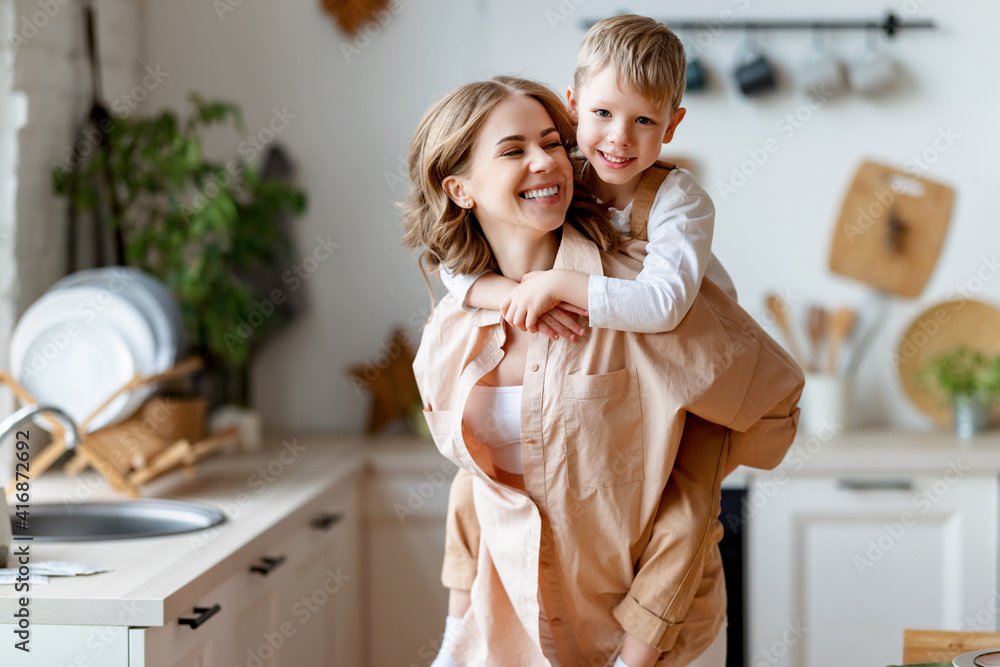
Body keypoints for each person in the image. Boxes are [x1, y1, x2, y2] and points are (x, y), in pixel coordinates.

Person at [401, 76, 803, 667]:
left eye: (554, 143)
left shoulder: (636, 297)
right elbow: (479, 482)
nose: (547, 162)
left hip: (653, 648)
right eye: (514, 151)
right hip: (513, 635)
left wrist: (635, 653)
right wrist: (455, 641)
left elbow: (755, 419)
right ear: (459, 189)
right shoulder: (452, 329)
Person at [440, 15, 736, 340]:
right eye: (603, 113)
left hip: (703, 346)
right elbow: (454, 265)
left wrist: (560, 284)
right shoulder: (561, 172)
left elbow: (664, 304)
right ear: (574, 107)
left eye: (643, 120)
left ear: (670, 127)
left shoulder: (679, 200)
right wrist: (511, 295)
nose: (619, 137)